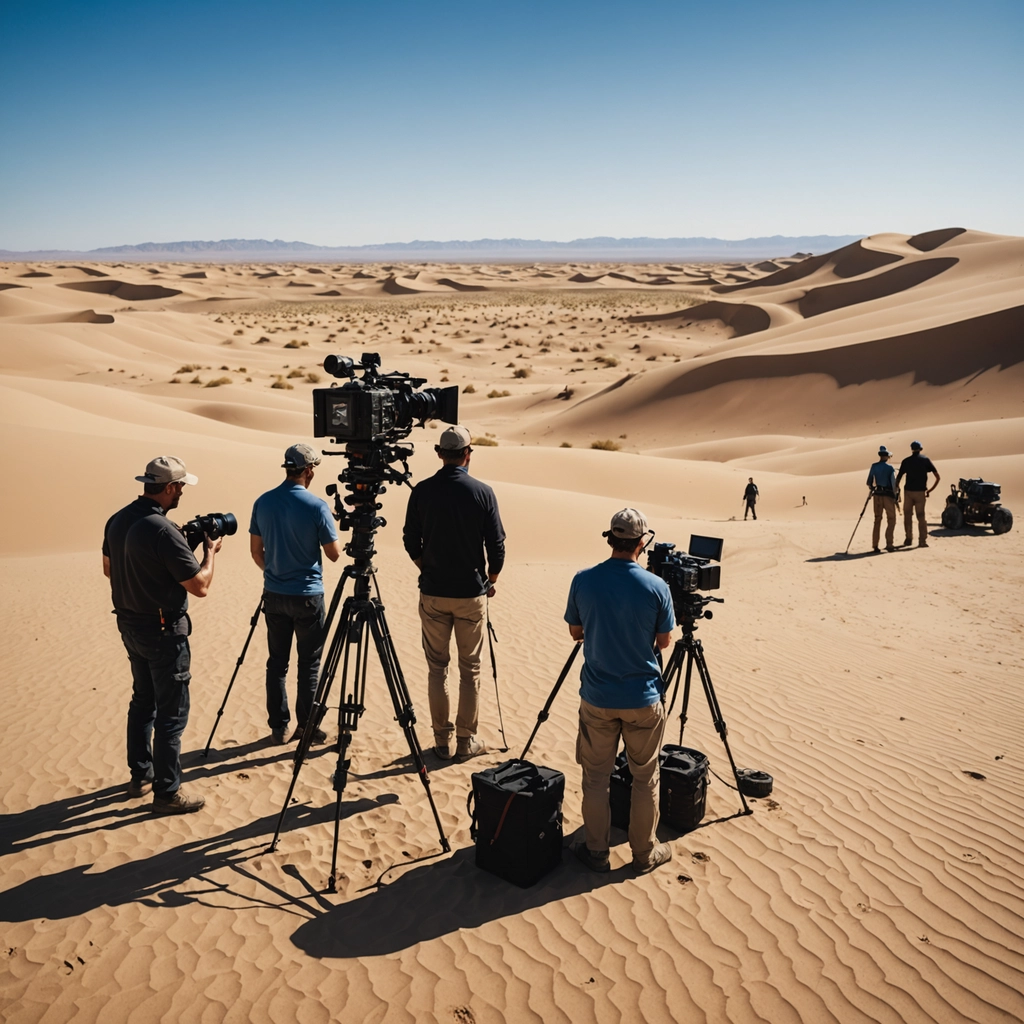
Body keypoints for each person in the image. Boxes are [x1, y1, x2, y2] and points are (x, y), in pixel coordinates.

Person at [103, 456, 221, 814]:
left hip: (129, 624)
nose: (182, 491)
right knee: (171, 714)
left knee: (143, 701)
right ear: (169, 487)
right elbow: (199, 586)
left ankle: (140, 776)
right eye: (181, 486)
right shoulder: (162, 530)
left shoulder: (118, 519)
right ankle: (167, 792)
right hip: (163, 631)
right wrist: (210, 553)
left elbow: (109, 571)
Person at [564, 508, 675, 875]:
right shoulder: (657, 586)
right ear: (642, 543)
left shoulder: (583, 580)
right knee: (645, 777)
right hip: (643, 699)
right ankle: (644, 854)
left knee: (595, 778)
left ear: (610, 539)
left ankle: (597, 852)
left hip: (597, 698)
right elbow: (665, 640)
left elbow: (575, 633)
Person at [402, 424, 505, 761]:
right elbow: (497, 544)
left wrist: (425, 567)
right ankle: (465, 741)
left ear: (439, 454)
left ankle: (441, 742)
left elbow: (409, 539)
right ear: (467, 454)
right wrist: (491, 577)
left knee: (437, 668)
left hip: (433, 592)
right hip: (470, 593)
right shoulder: (483, 492)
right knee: (469, 669)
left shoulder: (422, 490)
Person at [250, 444, 341, 744]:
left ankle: (279, 727)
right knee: (309, 664)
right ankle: (307, 726)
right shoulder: (317, 506)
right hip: (308, 596)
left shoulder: (263, 501)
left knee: (277, 662)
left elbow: (256, 551)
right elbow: (334, 555)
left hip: (274, 594)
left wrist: (275, 571)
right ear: (308, 470)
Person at [896, 440, 940, 548]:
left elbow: (898, 478)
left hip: (908, 492)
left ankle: (908, 539)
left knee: (907, 516)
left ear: (912, 449)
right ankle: (922, 541)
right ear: (920, 449)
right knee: (921, 516)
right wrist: (929, 490)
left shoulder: (906, 461)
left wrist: (897, 491)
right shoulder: (925, 460)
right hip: (920, 492)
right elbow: (937, 477)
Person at [866, 445, 898, 553]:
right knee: (891, 519)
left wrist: (873, 488)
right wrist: (896, 496)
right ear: (887, 456)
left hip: (877, 495)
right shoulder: (890, 468)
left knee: (877, 519)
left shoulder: (874, 466)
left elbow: (869, 482)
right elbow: (894, 484)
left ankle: (875, 545)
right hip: (888, 495)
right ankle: (889, 544)